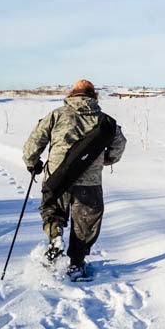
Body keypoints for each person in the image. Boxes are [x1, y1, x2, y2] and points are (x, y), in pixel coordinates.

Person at [22, 79, 126, 280]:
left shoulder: (56, 115)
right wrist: (104, 160)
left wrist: (32, 162)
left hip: (56, 177)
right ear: (94, 96)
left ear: (72, 94)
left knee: (52, 210)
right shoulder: (106, 122)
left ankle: (55, 238)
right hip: (90, 181)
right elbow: (118, 146)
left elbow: (35, 141)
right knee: (86, 222)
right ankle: (77, 264)